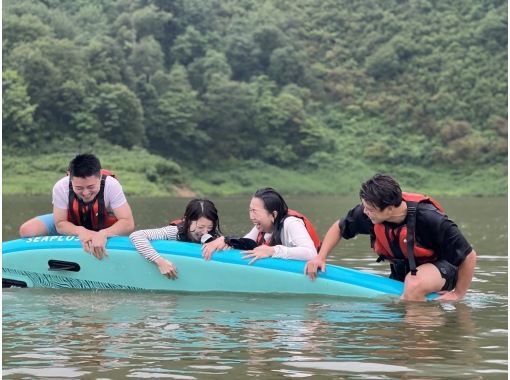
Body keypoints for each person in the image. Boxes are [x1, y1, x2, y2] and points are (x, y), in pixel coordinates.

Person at [304, 174, 477, 302]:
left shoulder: (430, 219)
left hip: (443, 269)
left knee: (414, 285)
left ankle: (420, 346)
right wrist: (321, 256)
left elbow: (469, 255)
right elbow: (340, 227)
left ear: (390, 209)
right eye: (365, 207)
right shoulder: (369, 212)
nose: (365, 212)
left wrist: (457, 294)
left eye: (370, 209)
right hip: (404, 270)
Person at [18, 153, 135, 259]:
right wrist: (80, 231)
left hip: (103, 224)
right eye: (79, 188)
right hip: (74, 222)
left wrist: (103, 234)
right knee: (27, 230)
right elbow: (60, 224)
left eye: (90, 187)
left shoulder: (111, 185)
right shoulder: (61, 187)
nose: (85, 193)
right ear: (70, 178)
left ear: (99, 176)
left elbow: (128, 223)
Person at [202, 187, 319, 263]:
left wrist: (272, 251)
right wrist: (226, 240)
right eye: (250, 210)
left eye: (255, 212)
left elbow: (310, 253)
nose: (251, 217)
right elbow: (246, 242)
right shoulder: (261, 226)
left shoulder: (291, 223)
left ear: (273, 215)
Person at [129, 199, 222, 279]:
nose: (206, 232)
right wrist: (160, 262)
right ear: (187, 221)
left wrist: (222, 240)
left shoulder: (214, 235)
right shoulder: (173, 232)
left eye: (209, 227)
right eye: (201, 227)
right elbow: (136, 236)